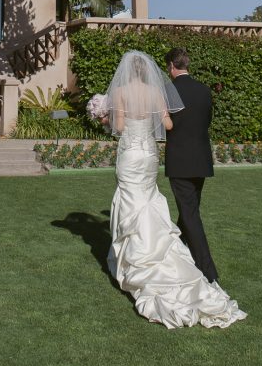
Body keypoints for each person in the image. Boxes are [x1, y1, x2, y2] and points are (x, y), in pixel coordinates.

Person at [103, 50, 246, 329]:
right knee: (150, 200)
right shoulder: (159, 92)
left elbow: (119, 126)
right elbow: (167, 124)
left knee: (132, 201)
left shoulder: (120, 91)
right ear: (147, 70)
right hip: (150, 155)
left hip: (131, 153)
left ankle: (135, 256)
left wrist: (105, 118)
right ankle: (166, 251)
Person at [164, 46, 218, 282]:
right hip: (201, 159)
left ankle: (208, 271)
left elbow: (165, 125)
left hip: (180, 160)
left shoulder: (168, 91)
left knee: (190, 215)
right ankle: (176, 253)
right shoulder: (204, 90)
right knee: (189, 212)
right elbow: (207, 121)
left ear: (171, 66)